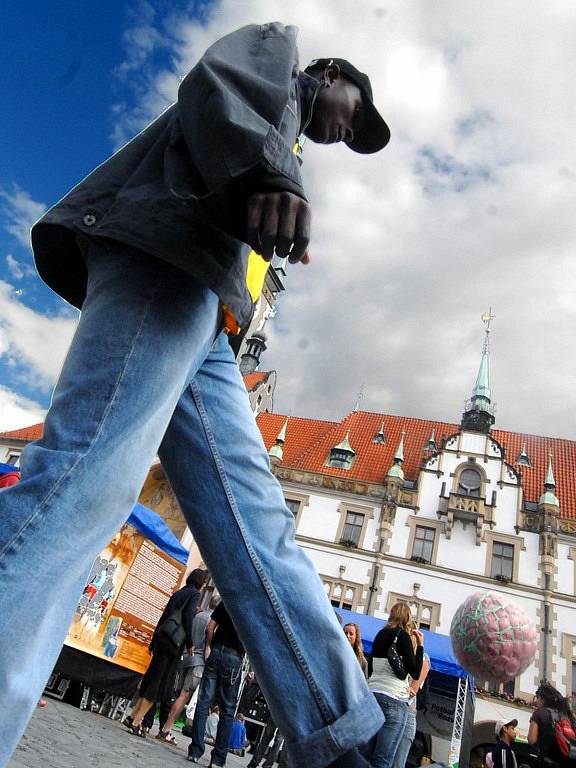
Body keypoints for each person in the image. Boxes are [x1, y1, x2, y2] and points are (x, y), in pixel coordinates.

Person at [0, 22, 390, 768]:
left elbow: (251, 148)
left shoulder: (285, 136)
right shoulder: (278, 56)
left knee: (253, 521)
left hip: (207, 315)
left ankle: (351, 736)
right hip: (165, 259)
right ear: (334, 71)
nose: (349, 129)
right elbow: (220, 85)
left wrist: (273, 186)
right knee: (81, 486)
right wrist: (273, 175)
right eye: (356, 110)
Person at [123, 568, 208, 737]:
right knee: (159, 683)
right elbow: (188, 618)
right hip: (173, 644)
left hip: (162, 638)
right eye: (204, 582)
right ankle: (136, 722)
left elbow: (164, 616)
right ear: (200, 582)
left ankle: (132, 716)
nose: (205, 585)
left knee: (151, 677)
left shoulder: (179, 593)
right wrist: (190, 643)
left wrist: (154, 640)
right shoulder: (194, 595)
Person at [366, 602, 424, 768]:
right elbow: (415, 672)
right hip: (394, 698)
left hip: (373, 694)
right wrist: (420, 646)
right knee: (382, 759)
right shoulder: (403, 636)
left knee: (365, 755)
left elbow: (371, 668)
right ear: (407, 618)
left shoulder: (379, 634)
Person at [188, 601, 245, 765]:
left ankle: (195, 750)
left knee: (204, 701)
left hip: (216, 651)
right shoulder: (251, 605)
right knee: (228, 709)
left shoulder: (227, 598)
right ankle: (218, 759)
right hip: (234, 657)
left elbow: (210, 627)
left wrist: (210, 646)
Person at [159, 595, 217, 741]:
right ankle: (167, 728)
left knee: (179, 694)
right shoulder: (212, 621)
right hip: (198, 661)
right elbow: (208, 645)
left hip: (187, 656)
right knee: (185, 695)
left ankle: (166, 726)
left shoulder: (198, 616)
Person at [392, 623, 430, 768]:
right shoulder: (395, 652)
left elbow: (412, 690)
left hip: (407, 713)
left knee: (397, 763)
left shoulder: (423, 658)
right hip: (392, 709)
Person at [528, 682, 576, 767]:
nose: (536, 701)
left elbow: (532, 740)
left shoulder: (539, 713)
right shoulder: (566, 716)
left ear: (542, 699)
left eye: (537, 698)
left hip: (547, 762)